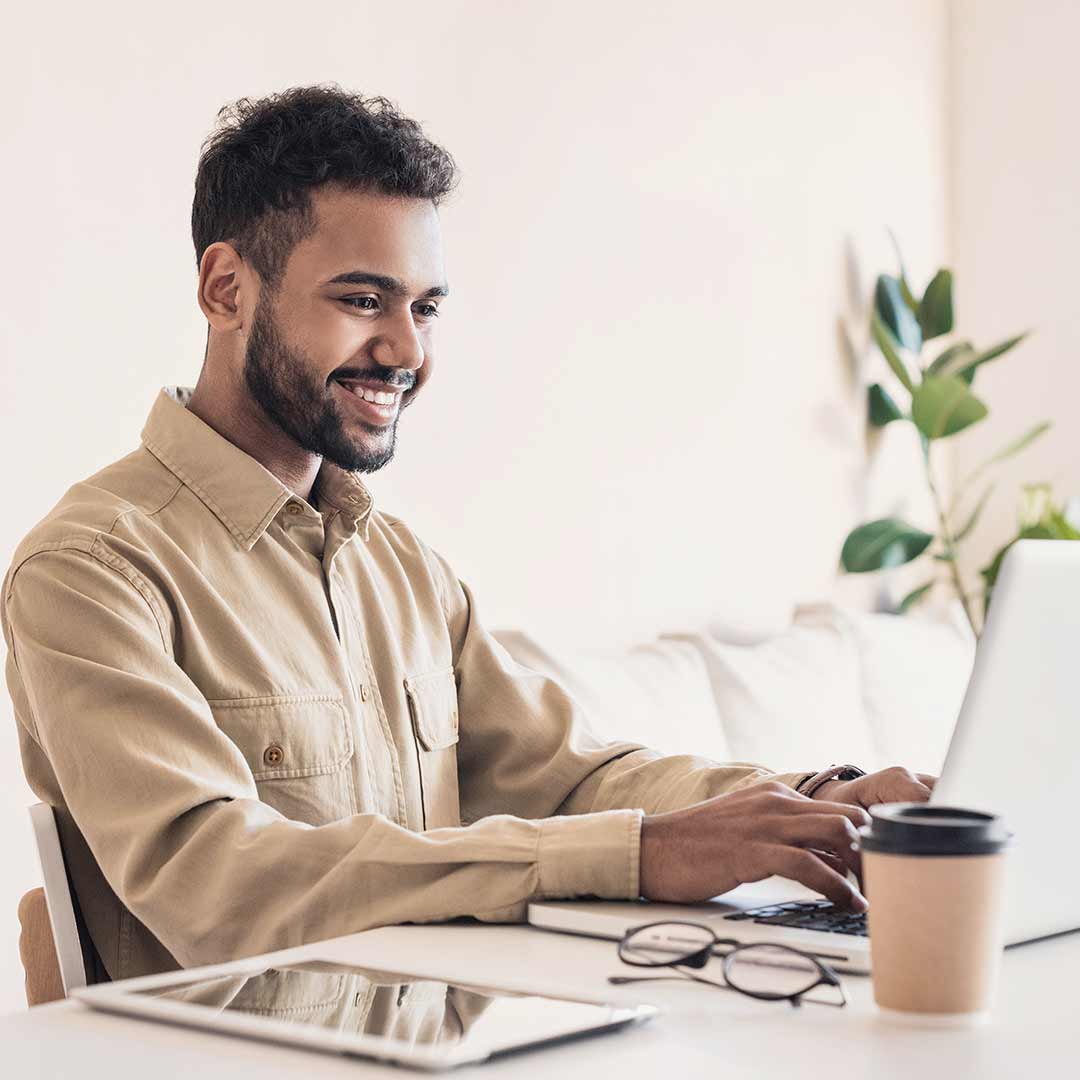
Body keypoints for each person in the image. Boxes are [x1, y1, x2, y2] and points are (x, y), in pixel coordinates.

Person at [1, 85, 936, 985]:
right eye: (363, 300)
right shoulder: (90, 571)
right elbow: (220, 883)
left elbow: (565, 781)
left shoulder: (401, 565)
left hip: (463, 1050)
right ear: (226, 289)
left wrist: (806, 804)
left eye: (426, 307)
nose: (408, 351)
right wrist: (639, 855)